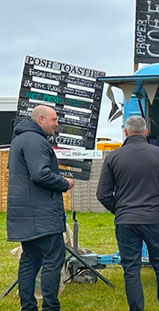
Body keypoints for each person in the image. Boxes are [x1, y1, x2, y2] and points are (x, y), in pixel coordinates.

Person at [97, 115, 159, 311]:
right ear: (146, 132)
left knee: (131, 269)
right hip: (155, 218)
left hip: (126, 220)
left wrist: (119, 209)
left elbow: (103, 194)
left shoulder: (113, 157)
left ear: (125, 132)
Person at [7, 105, 75, 311]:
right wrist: (65, 183)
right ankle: (50, 306)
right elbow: (40, 174)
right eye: (54, 120)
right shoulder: (36, 141)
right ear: (41, 120)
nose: (57, 124)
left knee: (29, 260)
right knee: (53, 261)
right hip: (42, 215)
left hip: (24, 213)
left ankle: (27, 306)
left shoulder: (19, 139)